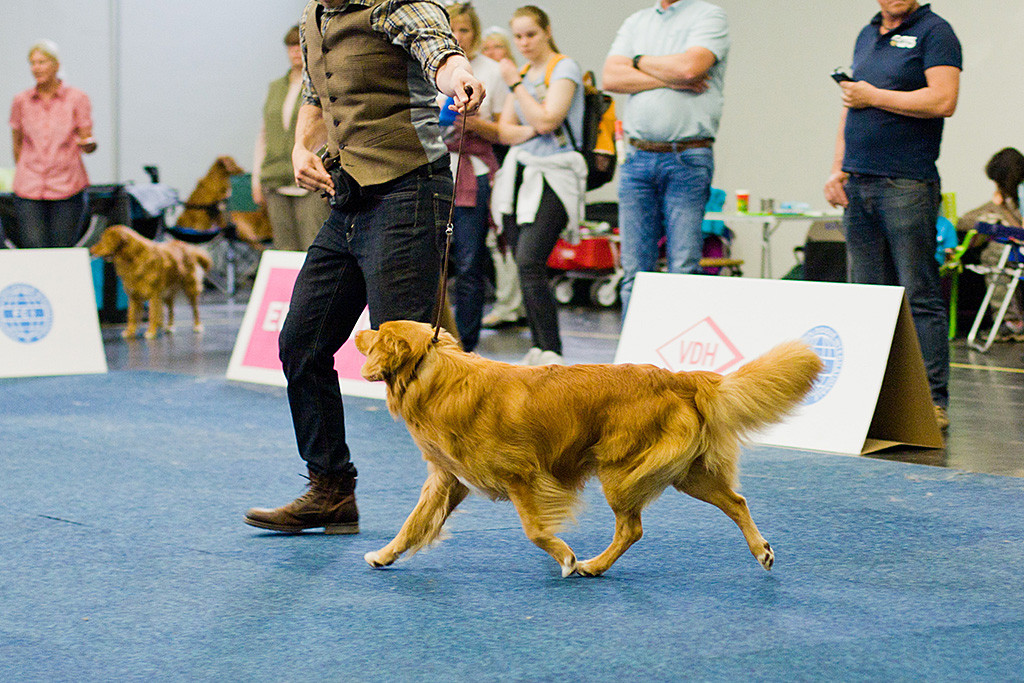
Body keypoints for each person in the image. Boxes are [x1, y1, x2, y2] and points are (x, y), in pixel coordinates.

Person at [244, 0, 484, 534]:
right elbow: (315, 93)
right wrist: (305, 147)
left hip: (409, 191)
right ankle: (330, 491)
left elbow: (437, 49)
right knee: (300, 344)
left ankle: (487, 466)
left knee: (412, 361)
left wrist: (459, 74)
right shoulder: (315, 18)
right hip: (346, 197)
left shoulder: (397, 5)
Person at [823, 0, 962, 431]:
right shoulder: (868, 34)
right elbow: (850, 105)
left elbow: (944, 99)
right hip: (859, 182)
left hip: (907, 183)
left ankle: (933, 403)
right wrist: (837, 169)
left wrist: (873, 96)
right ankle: (869, 398)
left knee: (918, 293)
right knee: (864, 297)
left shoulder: (936, 31)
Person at [602, 0, 730, 315]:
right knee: (634, 271)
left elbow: (691, 68)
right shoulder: (637, 21)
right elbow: (611, 78)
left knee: (683, 268)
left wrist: (638, 60)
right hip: (636, 158)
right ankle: (632, 361)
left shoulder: (709, 15)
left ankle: (675, 359)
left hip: (687, 157)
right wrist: (671, 79)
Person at [492, 5, 587, 365]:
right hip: (522, 171)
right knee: (522, 261)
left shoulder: (562, 67)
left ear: (546, 31)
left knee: (531, 259)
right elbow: (505, 131)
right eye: (518, 36)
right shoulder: (524, 72)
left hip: (557, 173)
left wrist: (518, 88)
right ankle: (538, 347)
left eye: (530, 34)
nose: (524, 43)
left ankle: (552, 351)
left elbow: (550, 119)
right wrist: (535, 123)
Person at [442, 4, 509, 352]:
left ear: (475, 32)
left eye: (464, 30)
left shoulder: (492, 71)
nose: (457, 36)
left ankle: (465, 344)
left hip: (474, 172)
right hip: (433, 170)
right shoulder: (431, 68)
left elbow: (503, 131)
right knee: (431, 261)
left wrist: (466, 120)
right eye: (450, 28)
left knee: (469, 263)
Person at [8, 40, 96, 249]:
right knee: (34, 250)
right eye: (32, 63)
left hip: (67, 186)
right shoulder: (21, 101)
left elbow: (87, 138)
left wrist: (89, 145)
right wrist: (26, 170)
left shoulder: (77, 98)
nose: (36, 68)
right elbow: (17, 143)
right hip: (29, 187)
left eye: (42, 62)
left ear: (56, 64)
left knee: (62, 250)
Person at [252, 25, 330, 251]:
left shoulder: (320, 85)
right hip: (275, 179)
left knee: (313, 245)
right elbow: (264, 135)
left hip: (309, 181)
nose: (295, 52)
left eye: (299, 46)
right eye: (290, 47)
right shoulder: (276, 87)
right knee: (284, 250)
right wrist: (257, 178)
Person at [479, 24, 528, 329]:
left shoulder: (515, 83)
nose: (492, 54)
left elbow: (502, 133)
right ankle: (508, 302)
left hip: (510, 168)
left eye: (498, 47)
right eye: (487, 49)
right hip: (493, 169)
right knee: (497, 242)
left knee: (509, 241)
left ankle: (512, 304)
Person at [955, 148, 1024, 338]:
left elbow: (1018, 228)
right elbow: (963, 221)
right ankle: (1010, 319)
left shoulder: (1020, 196)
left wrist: (998, 209)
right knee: (997, 250)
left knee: (995, 252)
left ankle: (1010, 321)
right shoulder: (1008, 201)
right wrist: (996, 208)